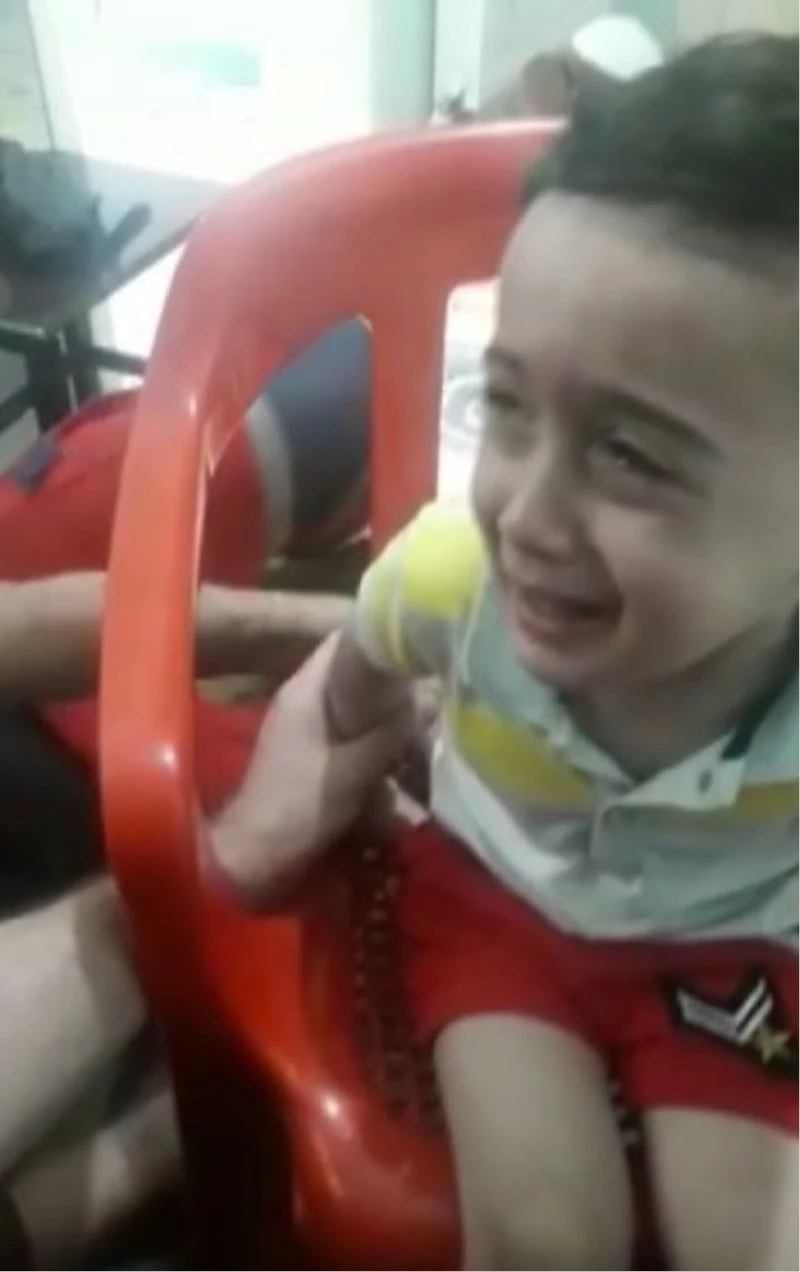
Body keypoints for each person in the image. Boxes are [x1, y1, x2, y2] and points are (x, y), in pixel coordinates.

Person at [214, 35, 799, 1271]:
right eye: (507, 407)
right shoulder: (449, 579)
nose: (523, 514)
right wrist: (295, 804)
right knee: (542, 1238)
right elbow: (347, 691)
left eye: (628, 453)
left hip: (735, 944)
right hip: (497, 908)